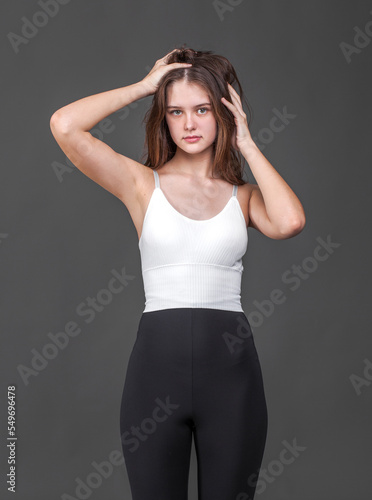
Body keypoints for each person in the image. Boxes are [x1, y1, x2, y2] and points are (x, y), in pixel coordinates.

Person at [50, 45, 306, 500]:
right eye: (175, 111)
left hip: (232, 380)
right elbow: (65, 126)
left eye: (203, 109)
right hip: (154, 379)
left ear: (226, 112)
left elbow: (289, 222)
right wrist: (144, 86)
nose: (188, 123)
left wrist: (247, 142)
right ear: (164, 118)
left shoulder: (243, 197)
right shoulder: (139, 184)